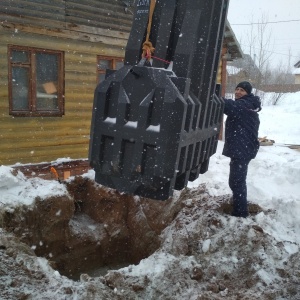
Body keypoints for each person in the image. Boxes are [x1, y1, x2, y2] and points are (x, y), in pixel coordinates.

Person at [222, 81, 262, 217]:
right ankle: (239, 204)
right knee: (236, 180)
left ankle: (240, 212)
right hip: (242, 149)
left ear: (248, 93)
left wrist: (212, 97)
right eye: (237, 89)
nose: (238, 92)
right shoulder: (247, 105)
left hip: (243, 150)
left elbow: (229, 106)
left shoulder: (245, 105)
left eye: (242, 90)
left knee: (237, 181)